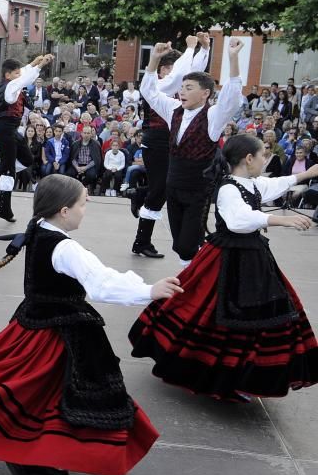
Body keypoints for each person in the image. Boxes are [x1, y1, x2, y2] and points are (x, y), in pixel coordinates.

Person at [0, 175, 181, 475]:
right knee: (49, 391)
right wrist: (149, 291)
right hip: (59, 334)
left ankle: (34, 453)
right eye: (83, 204)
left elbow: (99, 277)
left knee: (30, 389)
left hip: (34, 325)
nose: (86, 209)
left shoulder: (40, 229)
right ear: (64, 210)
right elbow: (100, 283)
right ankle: (36, 454)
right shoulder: (64, 248)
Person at [130, 134, 318, 401]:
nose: (266, 159)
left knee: (257, 314)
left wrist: (305, 174)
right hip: (227, 258)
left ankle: (242, 375)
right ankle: (222, 375)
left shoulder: (251, 184)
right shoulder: (228, 188)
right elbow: (238, 221)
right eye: (263, 154)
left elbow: (274, 184)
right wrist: (280, 220)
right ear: (248, 159)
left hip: (253, 257)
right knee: (216, 312)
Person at [140, 38, 245, 265]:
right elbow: (149, 92)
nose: (181, 92)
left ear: (205, 93)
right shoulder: (173, 109)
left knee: (187, 245)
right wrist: (154, 59)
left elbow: (232, 98)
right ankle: (196, 272)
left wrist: (233, 58)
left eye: (188, 88)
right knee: (180, 245)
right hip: (173, 184)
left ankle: (201, 276)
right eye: (181, 88)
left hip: (198, 189)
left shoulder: (213, 116)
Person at [130, 34, 210, 258]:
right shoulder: (157, 84)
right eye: (172, 70)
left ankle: (141, 198)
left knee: (164, 188)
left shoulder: (176, 86)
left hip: (169, 141)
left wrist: (203, 50)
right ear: (164, 69)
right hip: (155, 140)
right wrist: (191, 48)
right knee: (158, 192)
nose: (180, 79)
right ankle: (142, 241)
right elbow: (181, 73)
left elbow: (193, 73)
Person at [0, 54, 54, 223]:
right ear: (8, 75)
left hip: (11, 131)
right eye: (16, 73)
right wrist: (40, 65)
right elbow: (24, 78)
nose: (19, 75)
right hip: (4, 130)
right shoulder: (11, 85)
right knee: (8, 171)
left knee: (27, 159)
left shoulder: (14, 82)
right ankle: (4, 208)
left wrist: (34, 63)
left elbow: (24, 73)